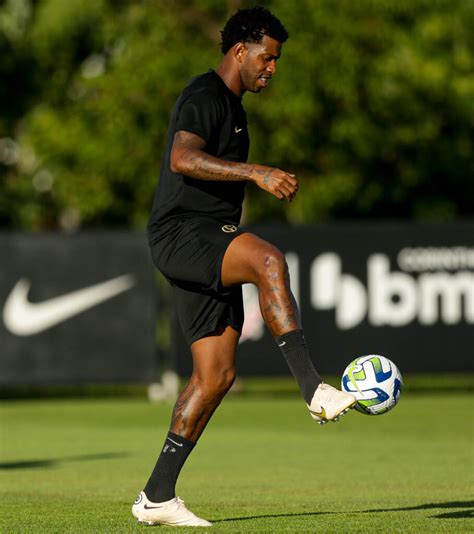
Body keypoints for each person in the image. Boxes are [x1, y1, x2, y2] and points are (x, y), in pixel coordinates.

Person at [132, 6, 355, 527]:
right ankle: (313, 390)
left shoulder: (236, 109)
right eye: (268, 57)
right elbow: (182, 159)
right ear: (240, 50)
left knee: (215, 377)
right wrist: (256, 172)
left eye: (276, 60)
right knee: (269, 260)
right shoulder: (205, 95)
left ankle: (157, 497)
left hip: (203, 240)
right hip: (182, 234)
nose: (272, 68)